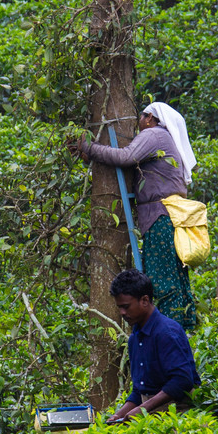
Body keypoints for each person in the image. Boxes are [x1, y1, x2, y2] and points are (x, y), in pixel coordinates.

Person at [70, 102, 200, 331]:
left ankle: (168, 334)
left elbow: (126, 157)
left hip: (161, 217)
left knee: (163, 282)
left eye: (140, 117)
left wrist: (89, 147)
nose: (137, 123)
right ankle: (177, 330)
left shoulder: (154, 135)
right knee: (174, 279)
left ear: (150, 118)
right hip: (168, 216)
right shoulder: (163, 139)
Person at [106, 269, 199, 425]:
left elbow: (182, 380)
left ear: (144, 300)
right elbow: (140, 389)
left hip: (177, 416)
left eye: (126, 307)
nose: (122, 312)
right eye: (119, 307)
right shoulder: (135, 338)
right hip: (148, 415)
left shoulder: (167, 332)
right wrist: (119, 415)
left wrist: (143, 409)